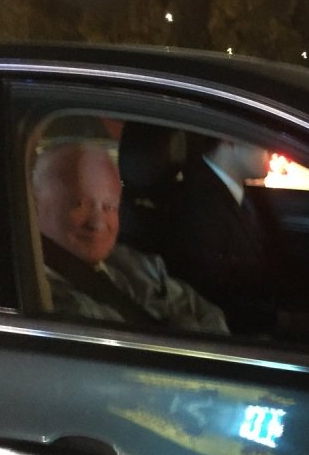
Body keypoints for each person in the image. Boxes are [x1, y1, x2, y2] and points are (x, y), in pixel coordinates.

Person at [31, 140, 229, 334]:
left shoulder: (141, 266)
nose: (98, 222)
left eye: (109, 207)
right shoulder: (41, 294)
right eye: (78, 204)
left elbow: (208, 313)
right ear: (35, 205)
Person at [165, 137, 280, 335]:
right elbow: (210, 297)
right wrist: (283, 320)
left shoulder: (237, 192)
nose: (272, 149)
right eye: (260, 135)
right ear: (228, 139)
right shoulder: (198, 207)